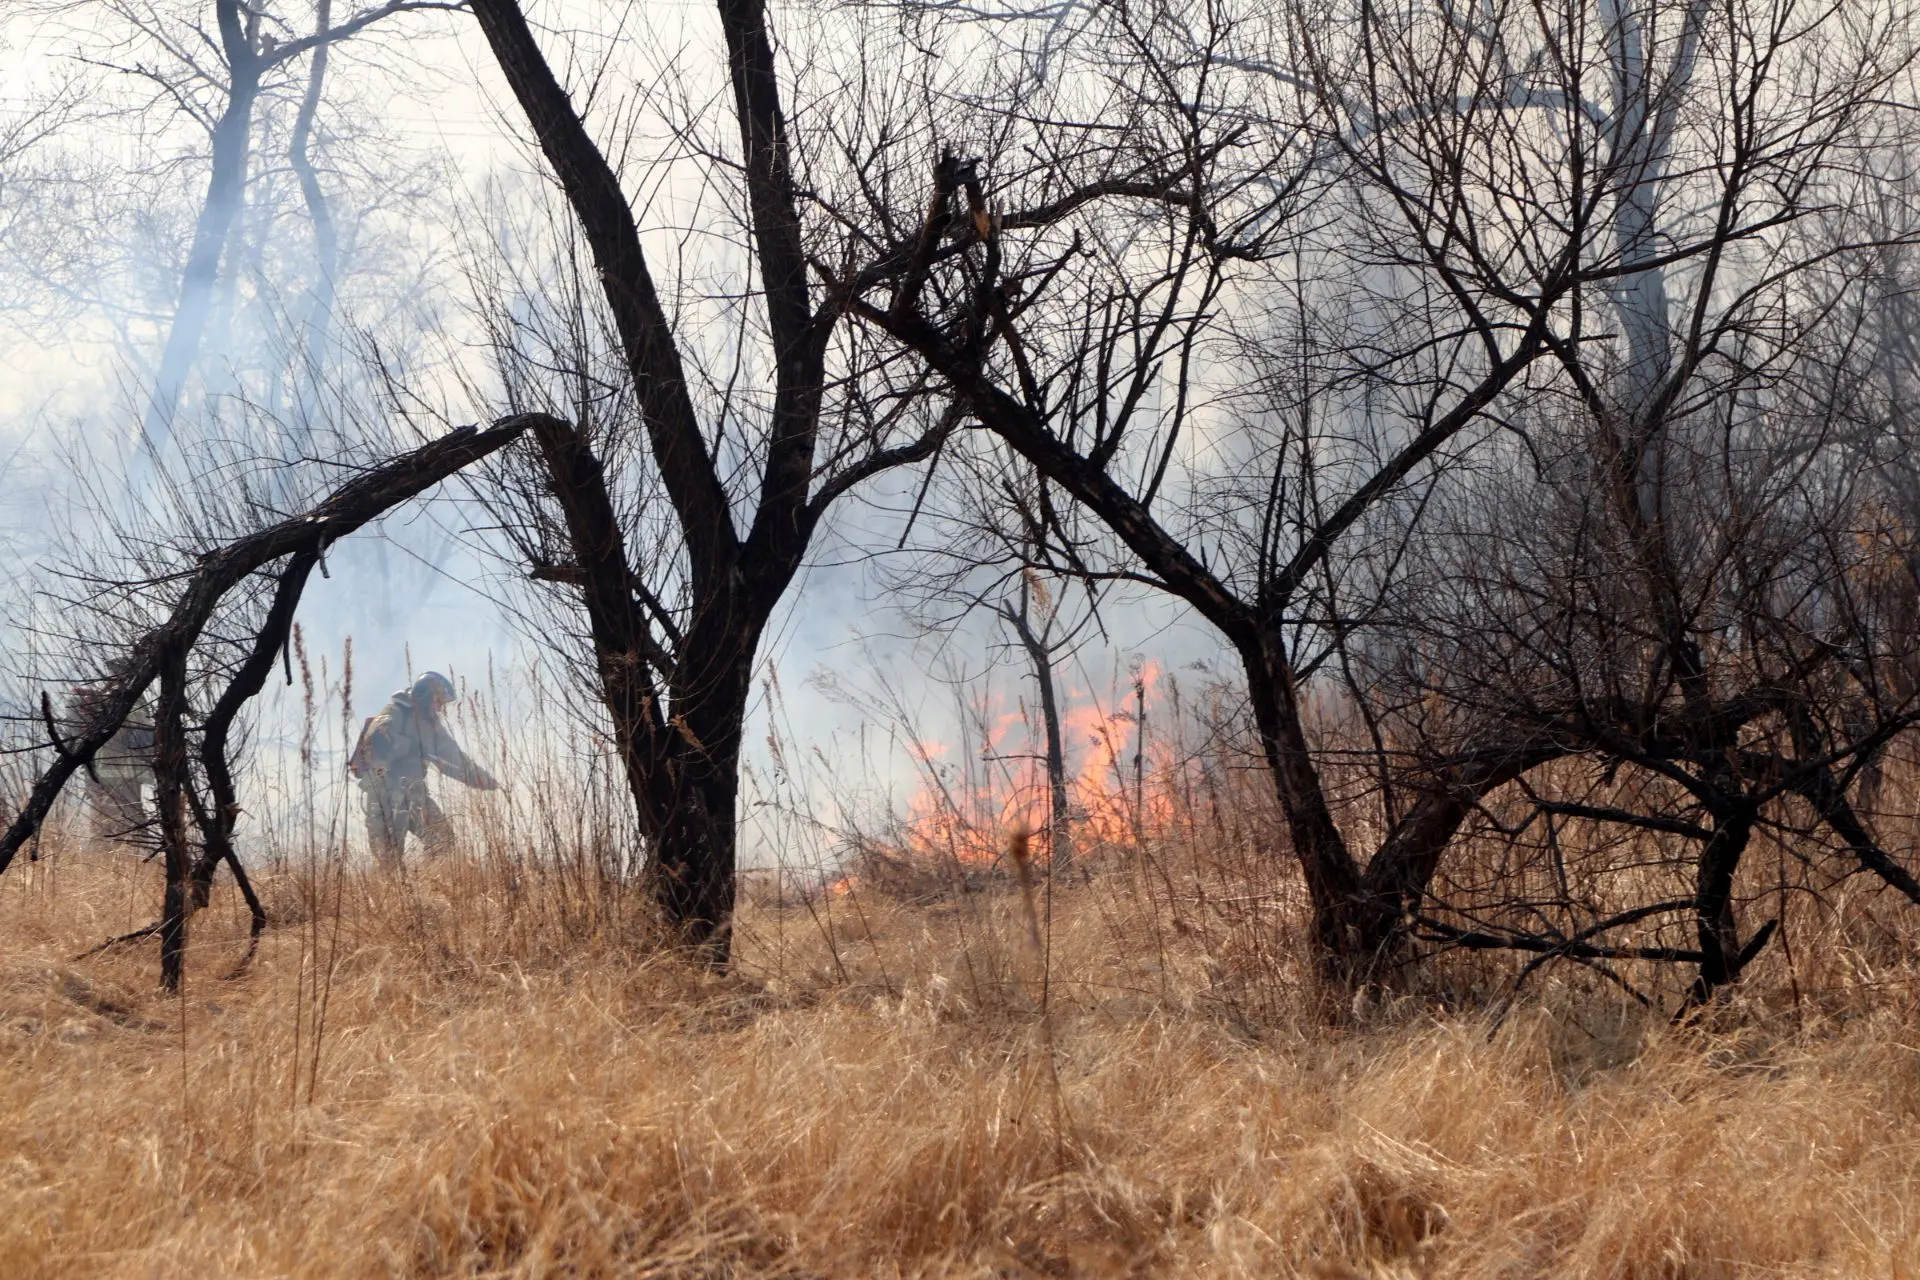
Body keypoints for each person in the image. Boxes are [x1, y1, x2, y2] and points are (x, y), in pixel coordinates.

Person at [348, 671, 499, 866]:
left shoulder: (432, 726)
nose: (439, 709)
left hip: (415, 792)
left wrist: (485, 781)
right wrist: (408, 747)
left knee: (443, 841)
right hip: (385, 794)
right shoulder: (394, 711)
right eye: (437, 701)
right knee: (388, 858)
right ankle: (391, 894)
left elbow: (455, 757)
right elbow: (377, 740)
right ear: (424, 695)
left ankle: (430, 887)